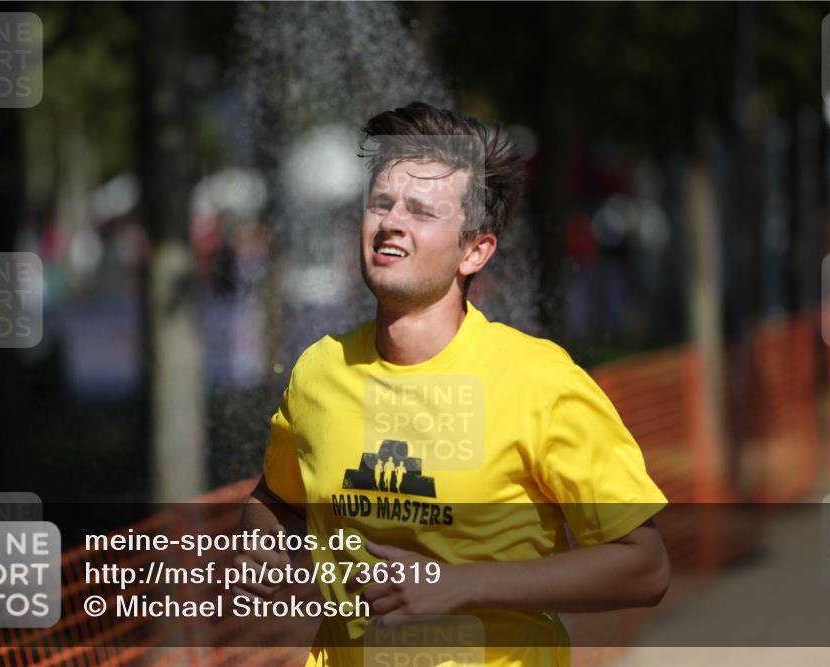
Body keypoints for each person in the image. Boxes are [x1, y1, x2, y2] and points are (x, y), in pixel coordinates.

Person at [236, 101, 670, 666]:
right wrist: (263, 548)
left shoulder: (541, 382)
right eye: (381, 203)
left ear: (475, 250)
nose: (391, 222)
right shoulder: (320, 372)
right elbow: (276, 499)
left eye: (420, 210)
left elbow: (645, 563)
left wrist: (460, 584)